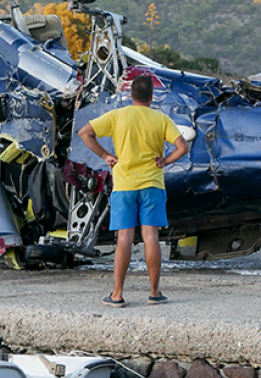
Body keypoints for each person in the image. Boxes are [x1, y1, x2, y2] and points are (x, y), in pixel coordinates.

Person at [78, 74, 188, 307]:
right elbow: (182, 147)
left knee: (124, 240)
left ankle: (117, 294)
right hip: (152, 185)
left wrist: (106, 156)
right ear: (151, 96)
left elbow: (85, 133)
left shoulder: (118, 116)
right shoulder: (161, 119)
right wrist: (165, 161)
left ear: (130, 94)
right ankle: (154, 292)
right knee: (151, 237)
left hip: (124, 186)